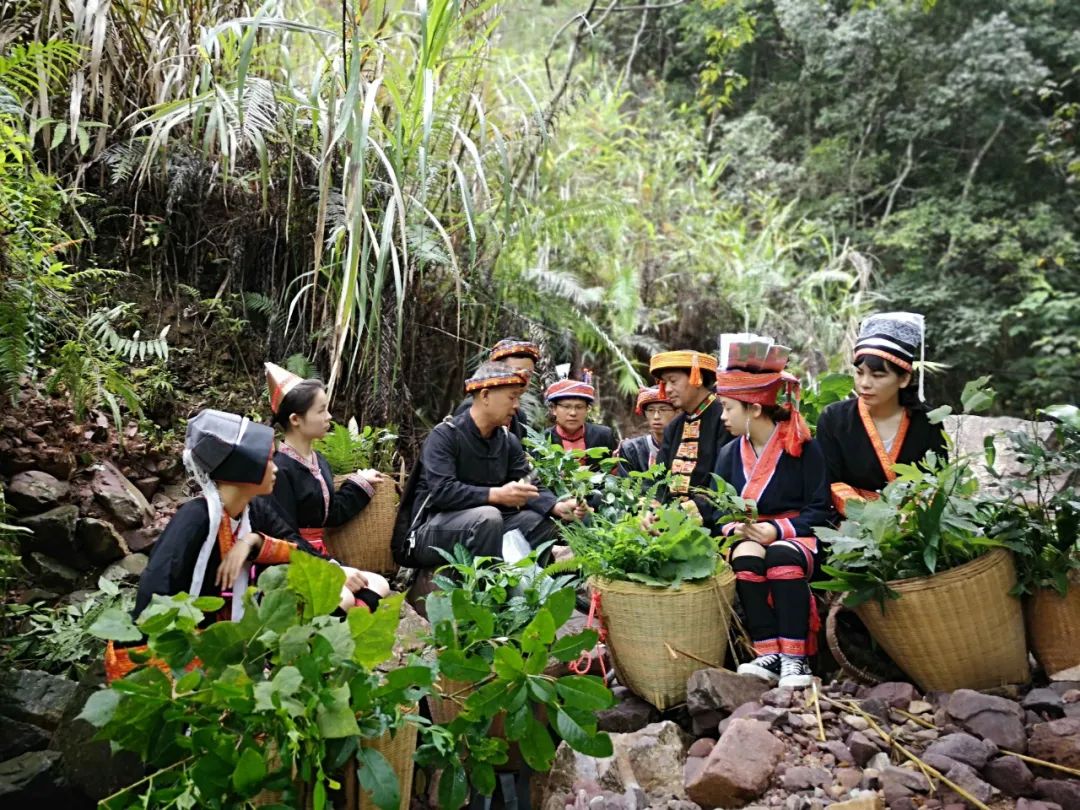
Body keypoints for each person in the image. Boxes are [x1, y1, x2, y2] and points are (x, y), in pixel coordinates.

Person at [133, 410, 382, 624]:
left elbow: (295, 545)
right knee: (338, 597)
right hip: (197, 632)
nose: (275, 467)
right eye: (267, 460)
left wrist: (254, 542)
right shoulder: (195, 518)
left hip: (245, 607)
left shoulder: (255, 510)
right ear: (242, 469)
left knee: (376, 584)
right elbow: (156, 590)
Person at [711, 335, 830, 688]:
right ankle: (768, 651)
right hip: (751, 534)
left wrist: (777, 530)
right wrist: (737, 529)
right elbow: (720, 508)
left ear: (755, 409)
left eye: (728, 408)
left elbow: (820, 508)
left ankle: (796, 657)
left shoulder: (804, 448)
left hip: (797, 536)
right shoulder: (728, 454)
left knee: (780, 554)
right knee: (745, 556)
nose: (722, 417)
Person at [398, 362, 586, 568]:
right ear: (485, 396)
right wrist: (496, 495)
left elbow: (529, 482)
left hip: (486, 525)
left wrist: (557, 506)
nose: (516, 407)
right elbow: (443, 492)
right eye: (512, 397)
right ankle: (486, 591)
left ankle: (526, 584)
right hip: (430, 532)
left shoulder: (507, 440)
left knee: (541, 521)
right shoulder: (445, 435)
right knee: (488, 517)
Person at [261, 363, 389, 598]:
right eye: (320, 411)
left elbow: (330, 514)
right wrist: (332, 566)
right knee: (345, 596)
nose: (329, 416)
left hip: (322, 555)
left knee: (379, 584)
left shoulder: (319, 461)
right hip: (295, 561)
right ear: (296, 419)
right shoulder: (279, 470)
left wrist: (361, 483)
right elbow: (284, 535)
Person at [815, 312, 947, 517]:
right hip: (850, 524)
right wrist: (872, 516)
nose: (864, 383)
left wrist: (910, 517)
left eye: (877, 375)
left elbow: (937, 481)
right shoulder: (834, 419)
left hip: (912, 522)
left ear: (904, 378)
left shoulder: (929, 421)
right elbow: (829, 481)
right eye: (859, 373)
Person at [650, 350, 732, 524]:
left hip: (713, 519)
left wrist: (684, 513)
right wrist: (654, 509)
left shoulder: (725, 418)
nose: (667, 389)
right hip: (670, 517)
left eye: (673, 381)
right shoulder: (674, 426)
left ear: (697, 377)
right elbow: (661, 478)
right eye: (665, 383)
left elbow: (723, 481)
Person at [454, 337, 541, 440]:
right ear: (497, 370)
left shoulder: (519, 415)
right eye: (516, 371)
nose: (523, 380)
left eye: (528, 374)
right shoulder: (472, 409)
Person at [543, 377, 618, 468]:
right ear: (554, 409)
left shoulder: (604, 436)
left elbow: (615, 472)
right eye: (566, 407)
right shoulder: (543, 440)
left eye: (579, 407)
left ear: (587, 409)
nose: (573, 413)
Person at [615, 386, 676, 474]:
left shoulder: (688, 447)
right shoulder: (631, 449)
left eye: (663, 409)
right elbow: (625, 485)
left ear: (677, 412)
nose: (656, 416)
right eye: (650, 410)